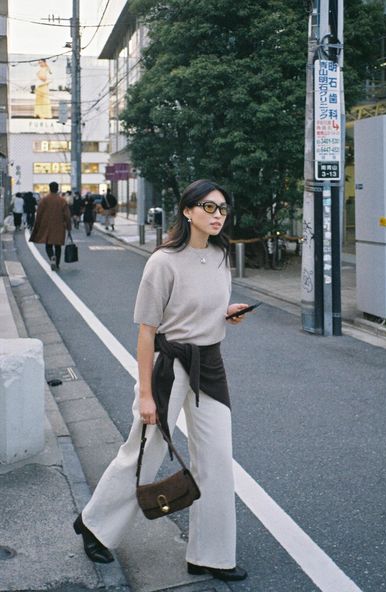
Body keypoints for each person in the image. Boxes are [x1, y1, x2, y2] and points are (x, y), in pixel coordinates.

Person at [73, 179, 249, 582]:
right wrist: (147, 394)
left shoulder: (222, 256)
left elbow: (206, 309)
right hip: (168, 363)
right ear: (188, 212)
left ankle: (211, 555)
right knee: (145, 451)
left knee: (218, 458)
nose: (217, 215)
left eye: (222, 208)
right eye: (208, 207)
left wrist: (228, 313)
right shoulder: (164, 261)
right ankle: (94, 524)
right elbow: (147, 333)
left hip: (210, 364)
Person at [29, 181, 71, 271]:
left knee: (48, 245)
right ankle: (57, 264)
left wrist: (36, 225)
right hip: (59, 226)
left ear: (49, 188)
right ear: (57, 189)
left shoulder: (44, 200)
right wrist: (69, 227)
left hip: (47, 225)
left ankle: (52, 257)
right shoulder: (62, 200)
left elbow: (39, 214)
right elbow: (67, 215)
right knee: (58, 246)